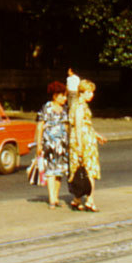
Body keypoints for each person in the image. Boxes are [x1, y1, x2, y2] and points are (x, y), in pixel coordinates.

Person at [68, 79, 107, 211]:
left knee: (79, 170)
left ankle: (77, 199)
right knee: (89, 170)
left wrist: (96, 135)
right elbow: (79, 126)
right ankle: (89, 200)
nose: (92, 95)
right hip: (83, 141)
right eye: (89, 92)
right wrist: (80, 145)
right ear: (82, 93)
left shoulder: (79, 105)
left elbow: (85, 125)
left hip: (84, 138)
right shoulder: (79, 106)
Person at [33, 81, 70, 208]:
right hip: (49, 143)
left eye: (65, 96)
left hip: (62, 144)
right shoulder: (46, 108)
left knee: (59, 171)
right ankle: (51, 198)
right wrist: (38, 144)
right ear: (55, 95)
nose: (65, 98)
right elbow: (40, 126)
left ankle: (56, 196)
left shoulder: (65, 109)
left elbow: (67, 126)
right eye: (62, 95)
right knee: (50, 170)